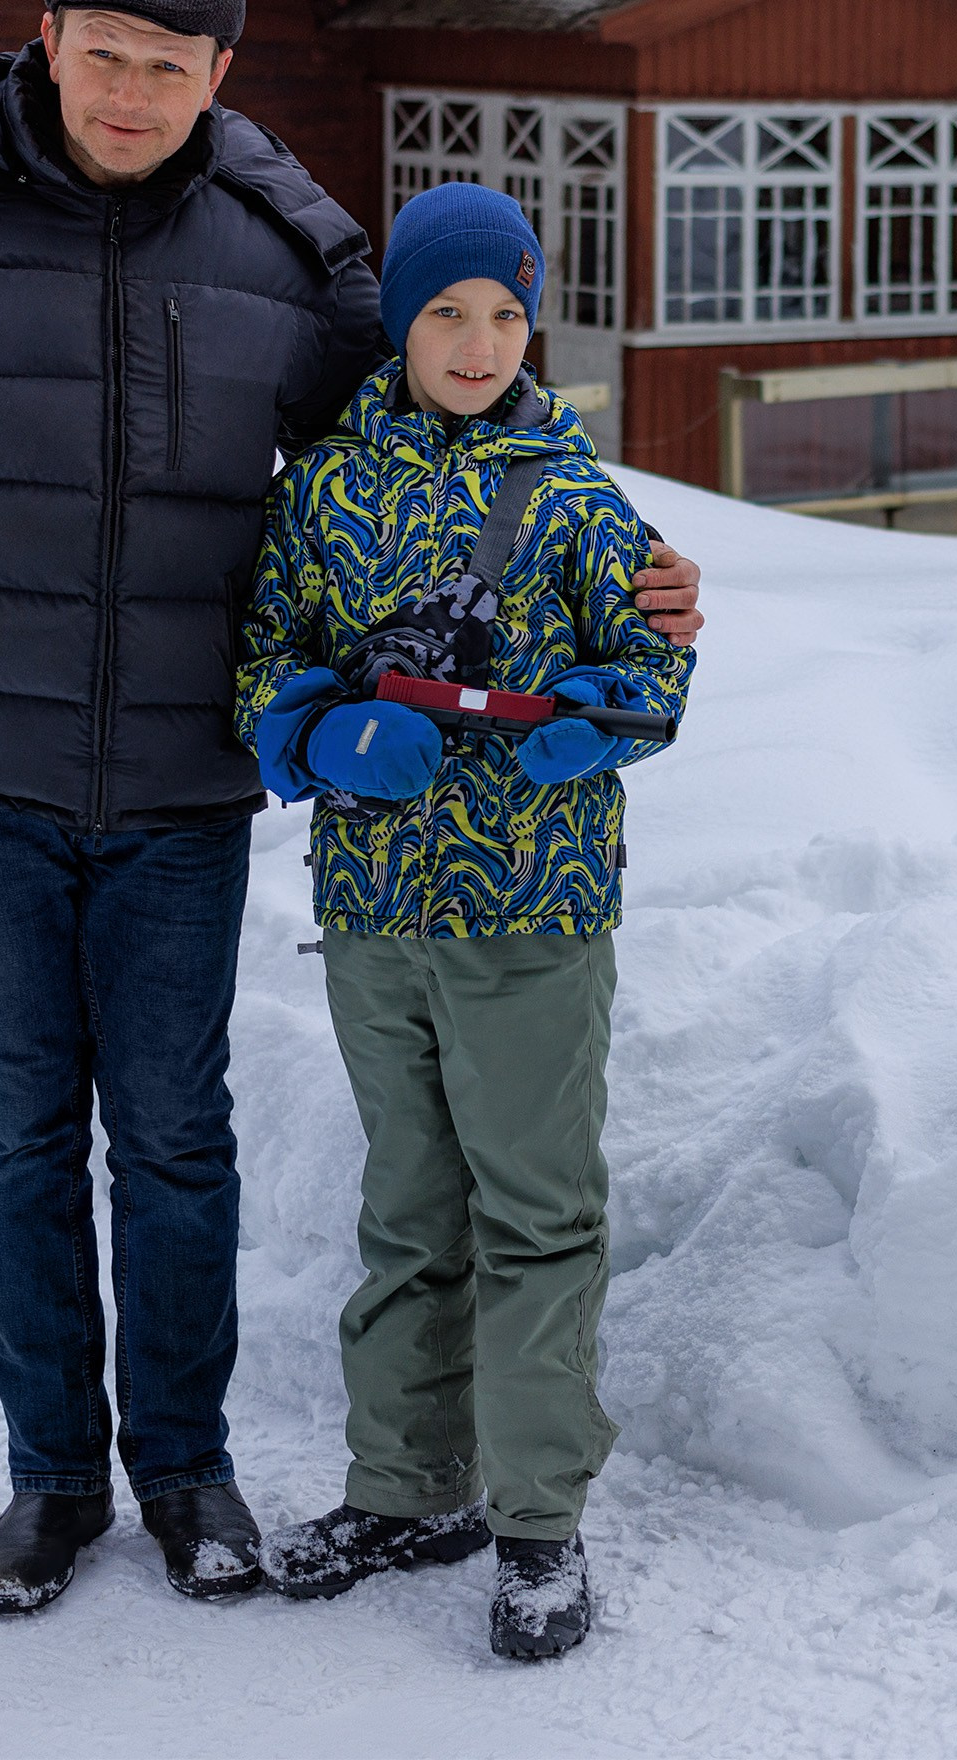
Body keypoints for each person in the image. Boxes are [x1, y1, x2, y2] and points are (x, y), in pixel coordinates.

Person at [0, 0, 706, 1617]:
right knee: (20, 1133)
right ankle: (51, 1480)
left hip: (188, 767)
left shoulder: (282, 240)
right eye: (103, 54)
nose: (130, 91)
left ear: (219, 73)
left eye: (168, 66)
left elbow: (435, 423)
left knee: (175, 1135)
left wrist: (627, 574)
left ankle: (185, 1470)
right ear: (46, 39)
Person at [233, 182, 693, 1659]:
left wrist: (602, 719)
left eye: (505, 314)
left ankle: (539, 1522)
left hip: (534, 906)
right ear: (400, 323)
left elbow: (656, 668)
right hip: (375, 910)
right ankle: (404, 1492)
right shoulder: (323, 491)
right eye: (447, 312)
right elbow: (262, 659)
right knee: (410, 1213)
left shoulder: (576, 497)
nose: (480, 342)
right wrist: (316, 734)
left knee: (537, 1215)